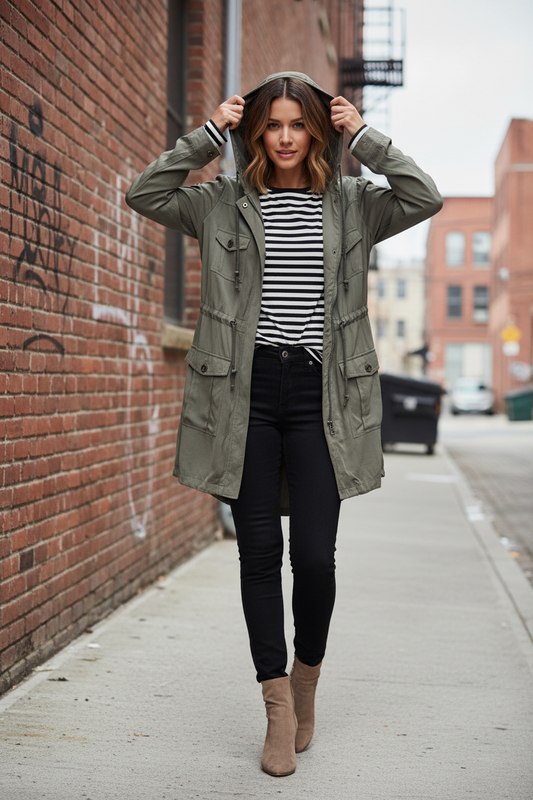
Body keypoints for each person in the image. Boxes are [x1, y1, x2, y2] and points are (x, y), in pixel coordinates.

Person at [126, 72, 442, 777]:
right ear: (256, 133)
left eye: (299, 124)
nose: (287, 137)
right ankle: (274, 705)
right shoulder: (220, 202)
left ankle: (306, 681)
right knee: (259, 553)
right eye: (273, 124)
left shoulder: (354, 203)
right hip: (245, 393)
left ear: (318, 131)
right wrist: (208, 135)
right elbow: (145, 193)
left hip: (320, 395)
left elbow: (424, 195)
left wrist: (366, 137)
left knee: (316, 559)